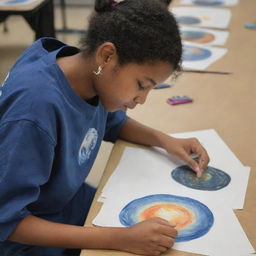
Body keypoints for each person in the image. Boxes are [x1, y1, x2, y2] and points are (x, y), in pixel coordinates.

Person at [0, 0, 209, 255]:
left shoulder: (87, 74)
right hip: (26, 238)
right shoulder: (34, 111)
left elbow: (111, 122)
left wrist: (166, 141)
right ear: (107, 55)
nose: (142, 99)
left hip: (65, 202)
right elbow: (6, 219)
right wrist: (117, 238)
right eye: (142, 85)